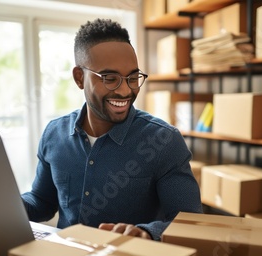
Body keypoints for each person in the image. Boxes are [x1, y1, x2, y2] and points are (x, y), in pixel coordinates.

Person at [21, 18, 202, 241]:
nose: (125, 90)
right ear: (80, 78)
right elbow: (42, 201)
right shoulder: (54, 134)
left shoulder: (164, 140)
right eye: (110, 78)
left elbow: (190, 221)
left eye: (133, 77)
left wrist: (147, 232)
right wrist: (8, 205)